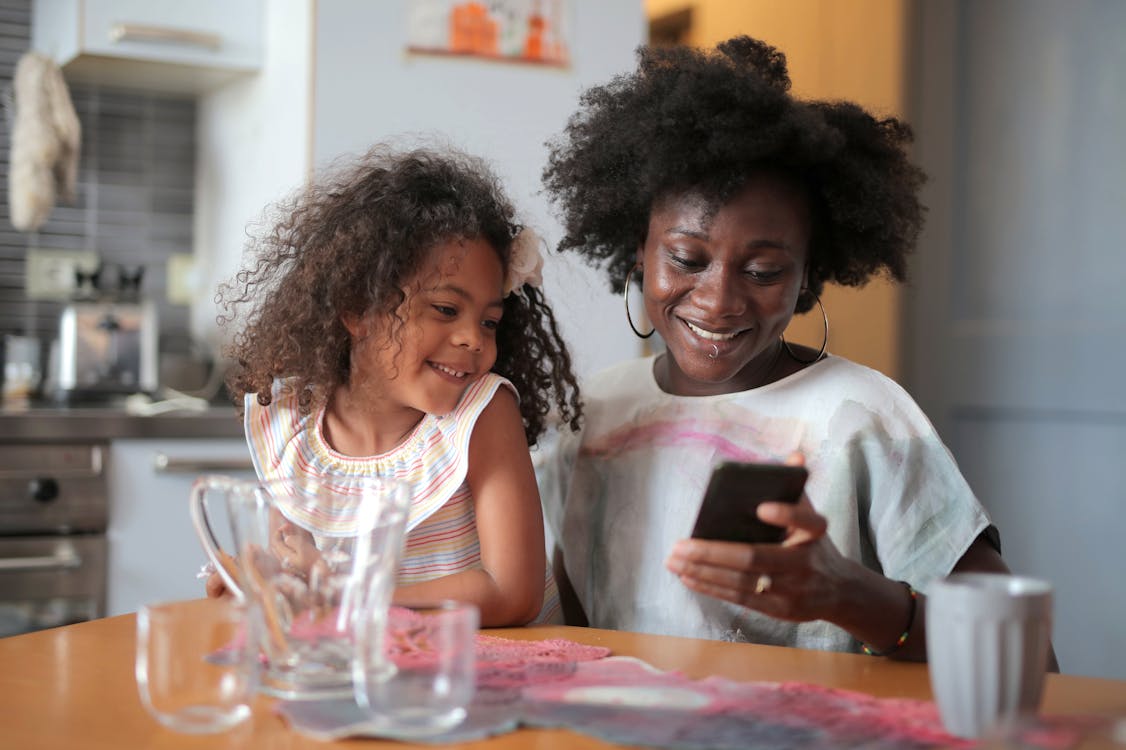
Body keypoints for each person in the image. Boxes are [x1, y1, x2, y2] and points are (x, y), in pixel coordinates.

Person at [541, 36, 1053, 664]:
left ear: (809, 276)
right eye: (686, 259)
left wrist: (847, 594)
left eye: (762, 271)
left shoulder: (861, 416)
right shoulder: (592, 412)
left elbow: (1025, 653)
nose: (719, 300)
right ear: (636, 253)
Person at [208, 145, 582, 627]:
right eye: (447, 310)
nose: (473, 339)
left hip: (497, 675)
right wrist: (263, 581)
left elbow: (511, 594)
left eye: (489, 321)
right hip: (384, 675)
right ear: (357, 310)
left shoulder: (481, 415)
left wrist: (352, 595)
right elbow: (301, 575)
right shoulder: (293, 423)